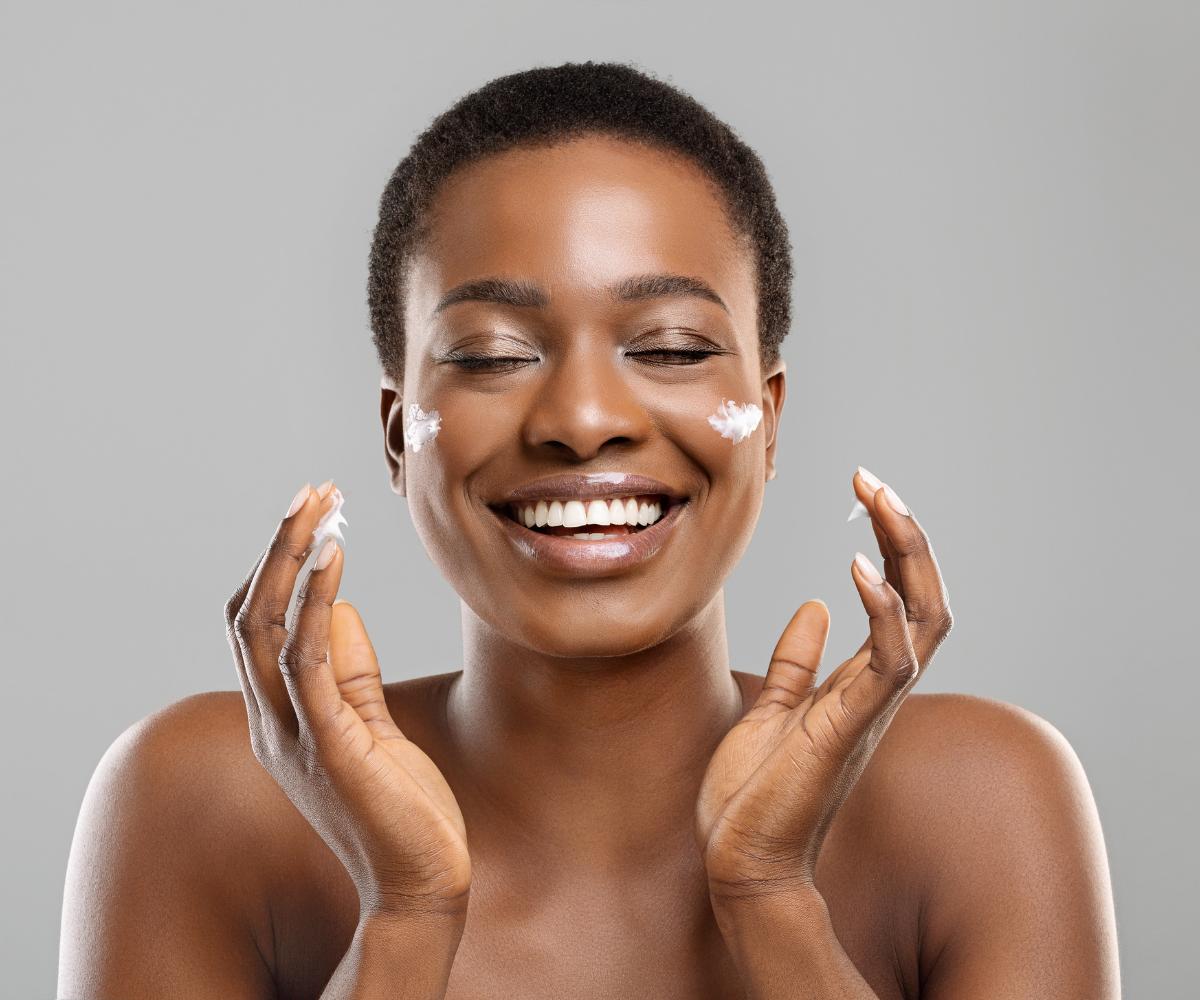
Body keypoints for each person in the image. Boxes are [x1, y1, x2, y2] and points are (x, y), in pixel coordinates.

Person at [59, 63, 1119, 999]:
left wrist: (773, 902)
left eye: (667, 347)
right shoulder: (206, 802)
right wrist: (408, 916)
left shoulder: (980, 804)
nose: (580, 419)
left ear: (771, 418)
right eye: (489, 354)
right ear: (397, 435)